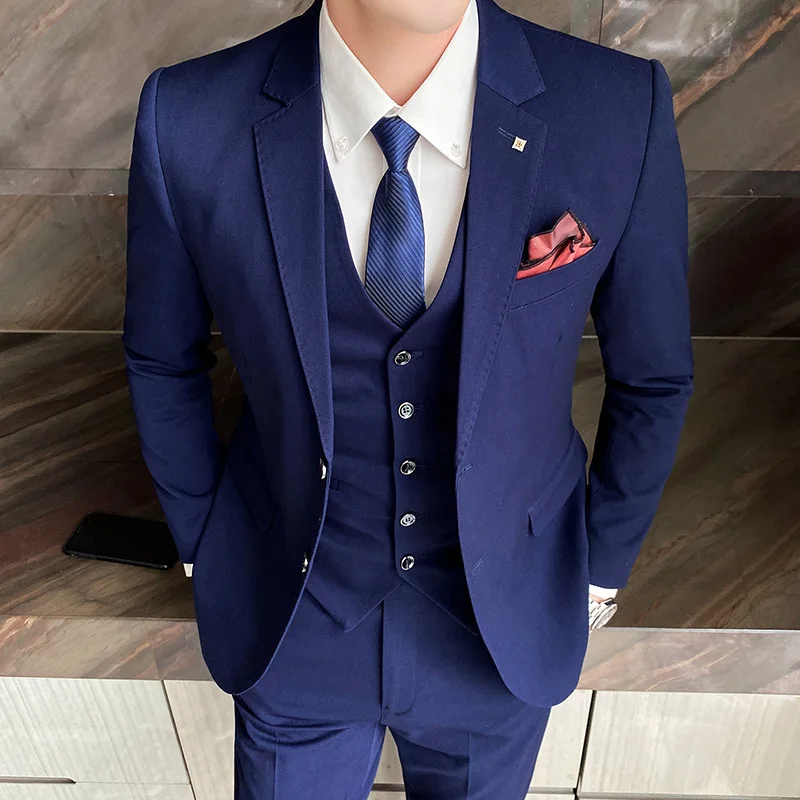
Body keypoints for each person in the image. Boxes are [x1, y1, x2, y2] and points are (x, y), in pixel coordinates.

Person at [122, 0, 693, 796]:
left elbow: (654, 375)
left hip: (503, 629)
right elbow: (161, 357)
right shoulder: (188, 117)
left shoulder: (616, 107)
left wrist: (596, 571)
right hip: (292, 619)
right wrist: (202, 542)